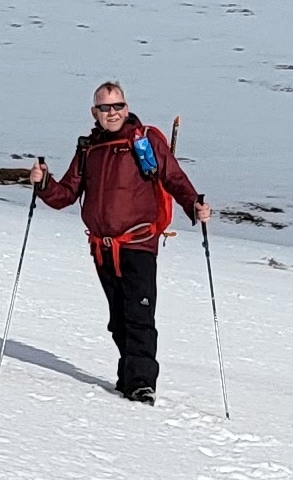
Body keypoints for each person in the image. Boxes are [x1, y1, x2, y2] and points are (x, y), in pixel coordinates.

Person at [30, 84, 207, 403]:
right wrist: (43, 183)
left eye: (117, 106)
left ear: (126, 108)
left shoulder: (144, 139)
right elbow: (67, 195)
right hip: (102, 247)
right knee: (119, 319)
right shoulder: (88, 149)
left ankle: (141, 384)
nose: (112, 113)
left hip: (138, 242)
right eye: (105, 107)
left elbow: (174, 178)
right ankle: (128, 380)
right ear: (94, 112)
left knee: (139, 315)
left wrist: (193, 204)